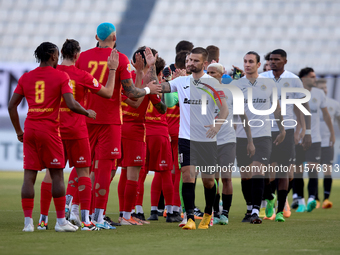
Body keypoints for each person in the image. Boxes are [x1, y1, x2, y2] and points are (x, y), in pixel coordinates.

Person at [75, 23, 161, 228]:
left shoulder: (82, 58)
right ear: (114, 37)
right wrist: (148, 85)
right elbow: (135, 97)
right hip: (112, 122)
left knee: (85, 167)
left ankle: (77, 211)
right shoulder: (120, 61)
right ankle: (103, 216)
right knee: (107, 169)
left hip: (85, 117)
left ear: (96, 36)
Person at [8, 42, 96, 232]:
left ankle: (28, 223)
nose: (58, 58)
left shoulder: (26, 77)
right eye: (56, 55)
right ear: (53, 56)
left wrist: (18, 132)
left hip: (30, 128)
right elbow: (71, 104)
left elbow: (11, 106)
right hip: (49, 130)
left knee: (29, 176)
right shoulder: (60, 76)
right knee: (56, 175)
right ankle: (61, 222)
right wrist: (86, 112)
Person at [37, 39, 119, 231]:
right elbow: (108, 93)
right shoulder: (82, 75)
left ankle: (42, 221)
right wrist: (112, 70)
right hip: (77, 130)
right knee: (84, 171)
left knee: (51, 172)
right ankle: (86, 220)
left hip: (54, 129)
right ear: (77, 55)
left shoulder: (52, 74)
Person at [143, 47, 229, 230]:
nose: (191, 63)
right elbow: (157, 87)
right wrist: (151, 67)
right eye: (189, 60)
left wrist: (217, 126)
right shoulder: (181, 81)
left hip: (206, 140)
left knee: (208, 180)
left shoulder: (213, 83)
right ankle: (189, 217)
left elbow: (224, 109)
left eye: (195, 61)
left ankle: (208, 213)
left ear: (205, 64)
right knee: (188, 176)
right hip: (186, 138)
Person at [231, 51, 285, 224]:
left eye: (251, 61)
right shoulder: (237, 85)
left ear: (258, 65)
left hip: (263, 136)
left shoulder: (268, 84)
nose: (247, 64)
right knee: (245, 175)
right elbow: (237, 113)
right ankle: (252, 207)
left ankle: (255, 210)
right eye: (245, 61)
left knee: (257, 169)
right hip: (242, 137)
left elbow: (276, 108)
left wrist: (282, 129)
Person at [259, 49, 312, 222]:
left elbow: (302, 106)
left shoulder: (293, 80)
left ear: (285, 61)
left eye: (277, 59)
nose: (273, 62)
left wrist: (304, 131)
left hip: (287, 130)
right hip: (266, 130)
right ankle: (269, 197)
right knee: (264, 171)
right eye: (271, 59)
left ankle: (280, 210)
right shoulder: (263, 79)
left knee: (283, 171)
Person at [117, 47, 166, 225]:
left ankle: (107, 214)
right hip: (135, 129)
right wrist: (157, 96)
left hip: (118, 127)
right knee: (133, 175)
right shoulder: (148, 81)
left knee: (118, 172)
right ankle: (127, 216)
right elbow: (160, 108)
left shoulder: (124, 78)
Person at [207, 63, 255, 225]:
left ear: (222, 74)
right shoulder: (202, 92)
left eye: (214, 72)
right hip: (208, 141)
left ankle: (224, 214)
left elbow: (243, 118)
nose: (211, 75)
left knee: (226, 177)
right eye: (208, 72)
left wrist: (250, 141)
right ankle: (214, 211)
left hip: (227, 140)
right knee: (213, 179)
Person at [294, 68, 335, 212]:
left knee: (313, 170)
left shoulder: (319, 94)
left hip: (315, 138)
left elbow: (326, 115)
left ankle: (312, 198)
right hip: (298, 138)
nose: (315, 79)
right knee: (298, 172)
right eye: (312, 77)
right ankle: (301, 201)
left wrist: (332, 133)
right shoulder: (296, 93)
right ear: (304, 78)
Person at [316, 78, 340, 209]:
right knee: (312, 172)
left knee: (327, 171)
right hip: (313, 142)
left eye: (325, 88)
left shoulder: (334, 104)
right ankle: (315, 199)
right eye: (320, 88)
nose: (323, 90)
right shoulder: (310, 103)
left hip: (327, 143)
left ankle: (326, 199)